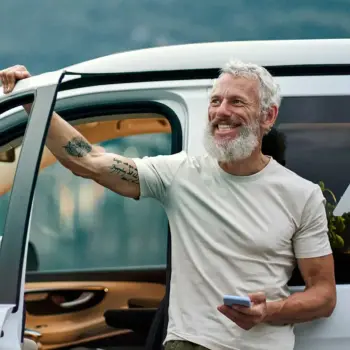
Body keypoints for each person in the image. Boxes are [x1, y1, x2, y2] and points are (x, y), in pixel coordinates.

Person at [0, 61, 336, 350]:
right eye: (216, 101)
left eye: (236, 102)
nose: (221, 112)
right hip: (189, 343)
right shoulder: (180, 173)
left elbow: (323, 295)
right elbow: (89, 159)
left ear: (268, 116)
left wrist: (269, 312)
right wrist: (35, 104)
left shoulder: (300, 194)